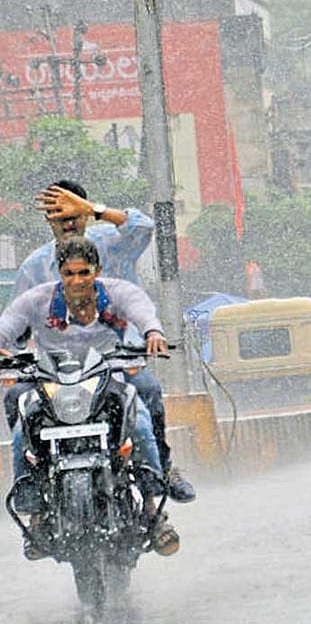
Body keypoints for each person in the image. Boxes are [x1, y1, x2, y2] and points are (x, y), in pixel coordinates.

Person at [8, 181, 196, 502]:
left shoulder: (113, 244)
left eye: (74, 213)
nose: (68, 221)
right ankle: (35, 495)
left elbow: (144, 227)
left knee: (146, 393)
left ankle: (160, 478)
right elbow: (17, 326)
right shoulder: (34, 267)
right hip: (58, 373)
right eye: (58, 214)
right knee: (16, 398)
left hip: (117, 362)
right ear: (47, 220)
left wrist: (95, 209)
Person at [0, 237, 179, 558]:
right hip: (52, 385)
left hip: (109, 379)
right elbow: (6, 326)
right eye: (69, 273)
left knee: (138, 422)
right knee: (19, 426)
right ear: (59, 272)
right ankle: (35, 511)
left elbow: (142, 311)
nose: (77, 280)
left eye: (84, 272)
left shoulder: (117, 292)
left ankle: (154, 509)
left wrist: (153, 332)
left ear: (96, 270)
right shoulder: (36, 299)